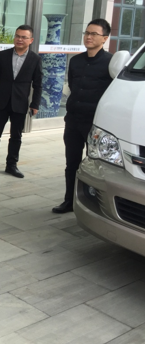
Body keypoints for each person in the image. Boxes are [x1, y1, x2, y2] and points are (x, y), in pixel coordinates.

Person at [52, 18, 113, 214]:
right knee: (71, 163)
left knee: (95, 167)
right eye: (87, 33)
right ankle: (69, 201)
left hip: (95, 124)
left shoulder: (111, 63)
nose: (88, 37)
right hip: (73, 121)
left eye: (94, 34)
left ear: (104, 38)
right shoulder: (76, 61)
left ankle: (94, 203)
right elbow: (72, 87)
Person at [0, 24, 42, 179]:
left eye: (24, 37)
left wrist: (35, 104)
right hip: (1, 101)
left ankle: (11, 165)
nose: (19, 39)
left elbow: (38, 84)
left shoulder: (35, 59)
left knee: (16, 136)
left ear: (31, 40)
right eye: (17, 36)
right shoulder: (4, 55)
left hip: (20, 102)